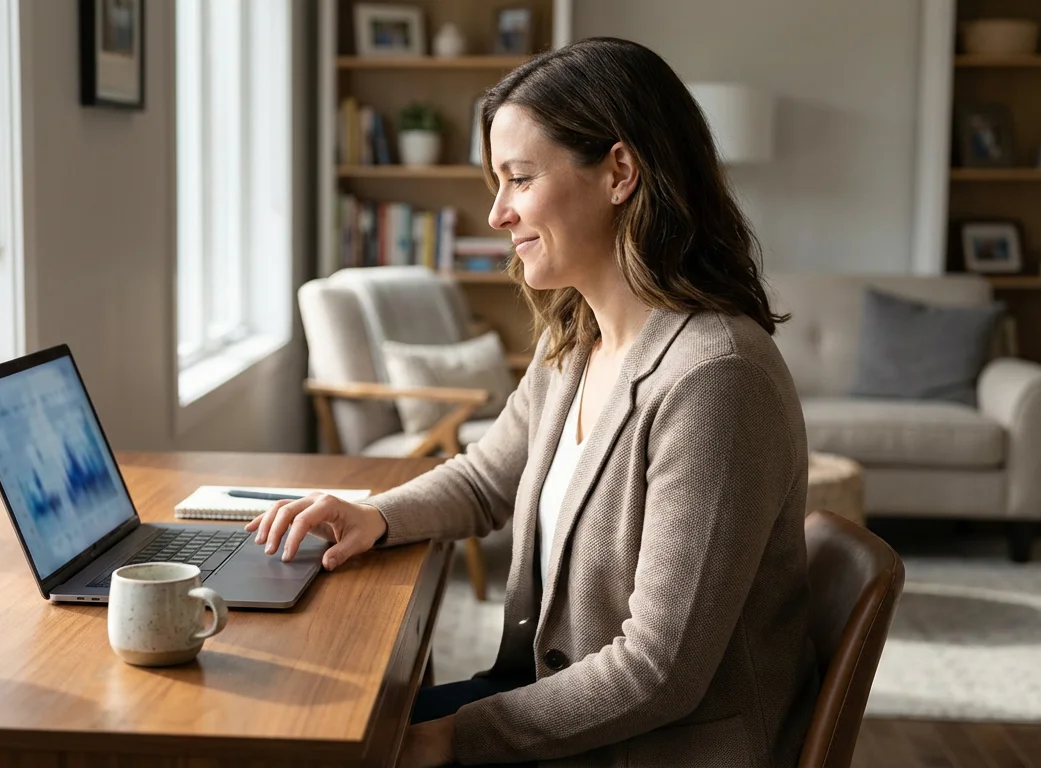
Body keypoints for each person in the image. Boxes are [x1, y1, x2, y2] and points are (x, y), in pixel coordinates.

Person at [248, 37, 818, 767]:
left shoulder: (714, 380)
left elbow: (657, 673)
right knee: (308, 729)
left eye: (518, 178)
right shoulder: (580, 338)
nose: (496, 214)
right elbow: (488, 477)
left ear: (619, 172)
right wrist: (377, 515)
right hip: (556, 702)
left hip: (652, 747)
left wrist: (449, 740)